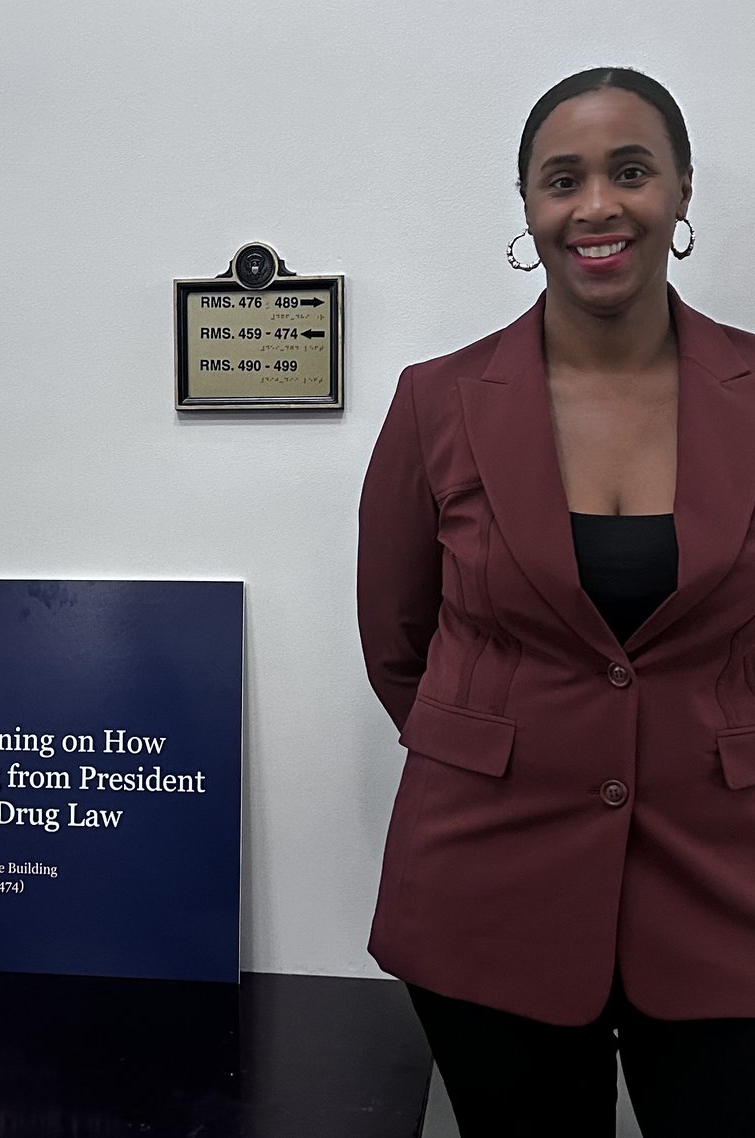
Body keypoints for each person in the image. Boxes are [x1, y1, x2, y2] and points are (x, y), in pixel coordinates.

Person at [357, 67, 755, 1137]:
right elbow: (398, 641)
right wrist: (510, 747)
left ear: (680, 192)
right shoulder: (438, 401)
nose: (597, 205)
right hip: (488, 872)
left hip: (730, 879)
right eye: (561, 178)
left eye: (631, 171)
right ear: (528, 207)